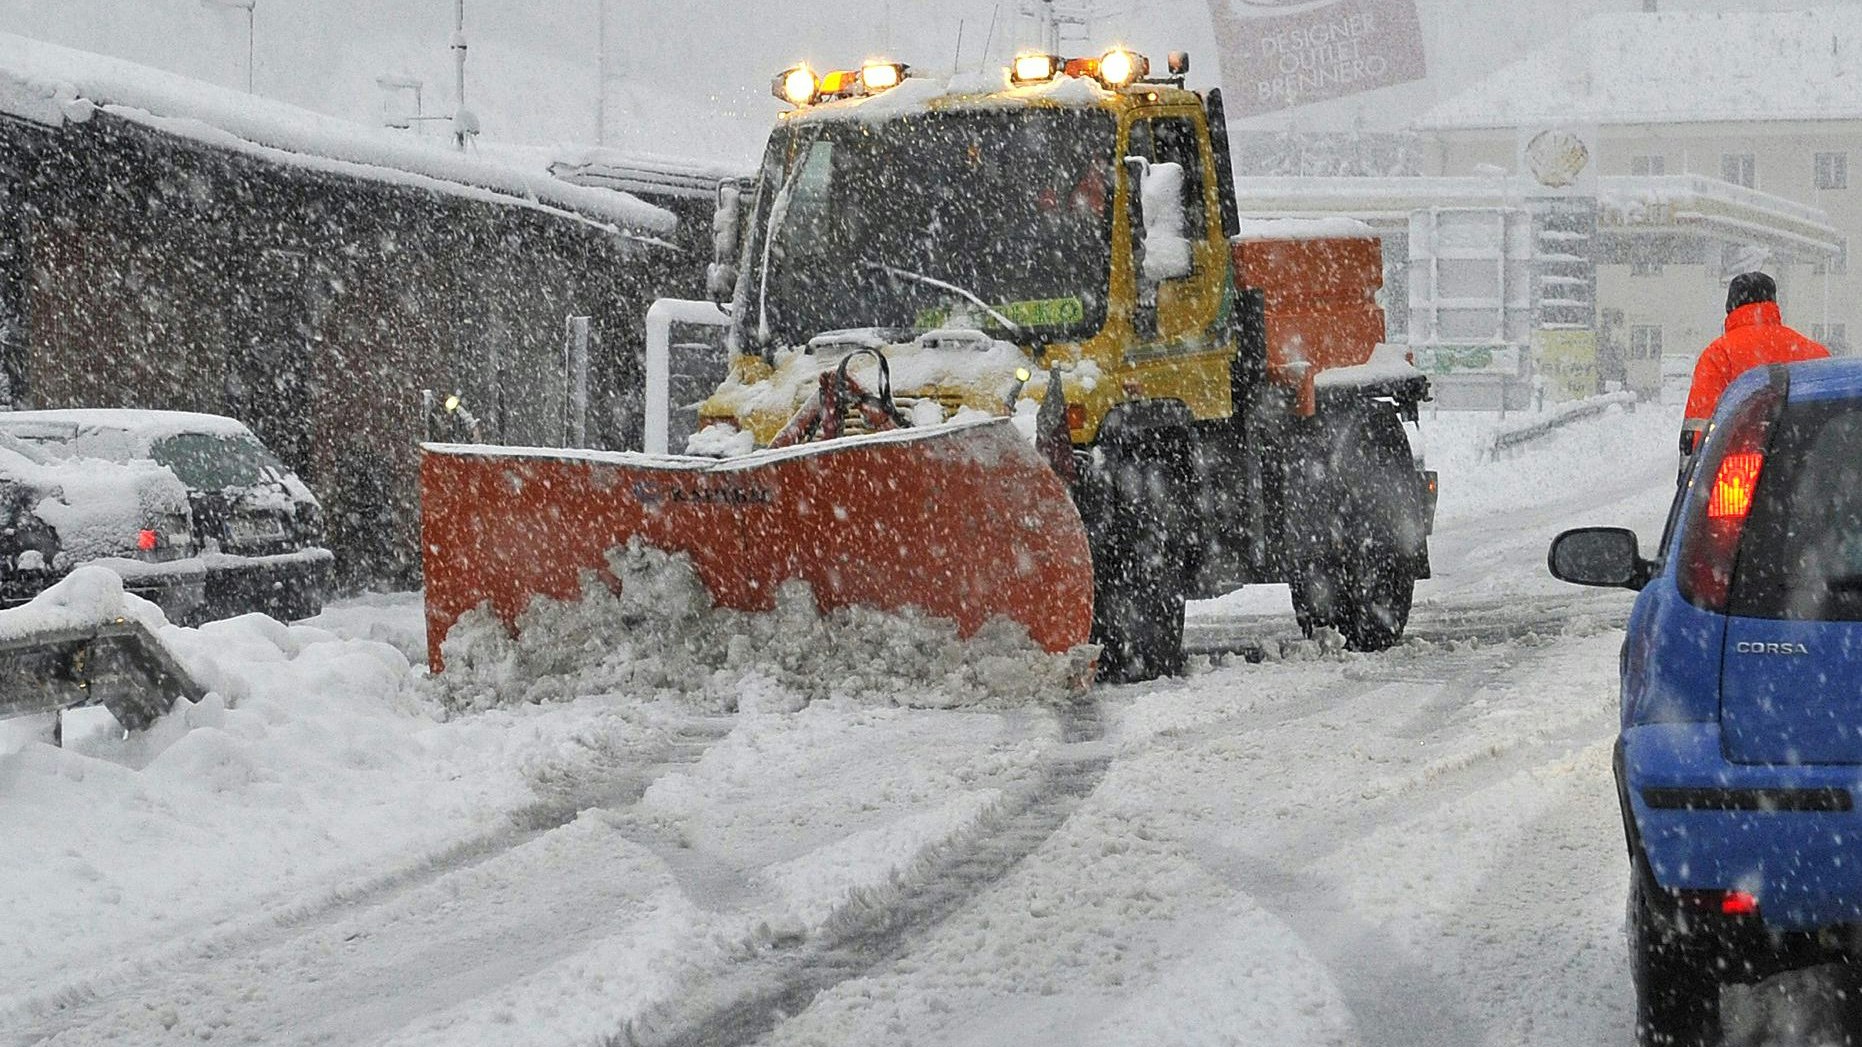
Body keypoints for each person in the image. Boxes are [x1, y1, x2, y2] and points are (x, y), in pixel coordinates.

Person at [1680, 272, 1829, 466]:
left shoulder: (1719, 354)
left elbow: (1698, 430)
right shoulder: (1815, 353)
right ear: (1773, 303)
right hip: (1809, 473)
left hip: (1741, 476)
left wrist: (1689, 478)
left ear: (1730, 307)